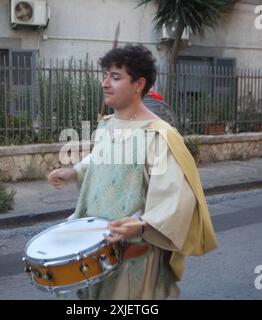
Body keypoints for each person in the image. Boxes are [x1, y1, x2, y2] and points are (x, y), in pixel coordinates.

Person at [48, 44, 217, 299]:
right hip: (96, 254)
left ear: (139, 84)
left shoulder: (157, 135)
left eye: (115, 77)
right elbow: (104, 159)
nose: (106, 83)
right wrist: (74, 172)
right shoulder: (108, 125)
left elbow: (178, 197)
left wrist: (141, 225)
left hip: (132, 261)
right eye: (105, 75)